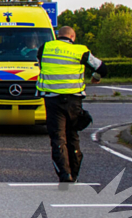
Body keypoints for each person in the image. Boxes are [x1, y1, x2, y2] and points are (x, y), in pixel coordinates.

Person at [36, 26, 107, 183]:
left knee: (58, 137)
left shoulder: (45, 48)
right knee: (72, 135)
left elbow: (41, 65)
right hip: (74, 100)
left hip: (52, 99)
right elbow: (102, 68)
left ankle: (64, 174)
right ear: (72, 37)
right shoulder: (80, 50)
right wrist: (96, 77)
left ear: (58, 36)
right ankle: (74, 173)